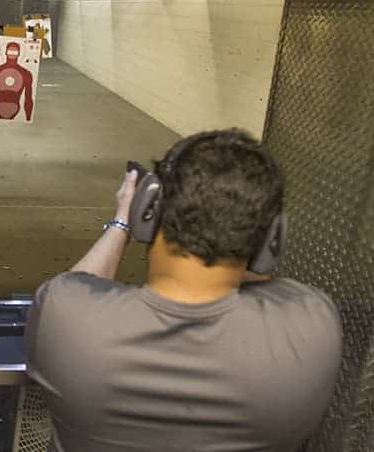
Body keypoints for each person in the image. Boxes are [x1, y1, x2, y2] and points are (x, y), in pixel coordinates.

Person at [25, 129, 342, 452]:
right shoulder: (315, 328)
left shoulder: (62, 316)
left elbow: (80, 286)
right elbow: (270, 284)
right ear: (271, 239)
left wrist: (122, 223)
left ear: (147, 209)